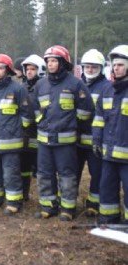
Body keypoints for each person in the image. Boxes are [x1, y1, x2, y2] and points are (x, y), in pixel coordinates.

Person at [33, 45, 93, 221]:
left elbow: (86, 110)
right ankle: (48, 205)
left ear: (63, 63)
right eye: (48, 61)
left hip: (66, 141)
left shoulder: (76, 84)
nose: (50, 64)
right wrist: (41, 122)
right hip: (44, 140)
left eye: (54, 61)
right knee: (44, 174)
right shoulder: (40, 84)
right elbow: (35, 108)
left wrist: (72, 124)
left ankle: (68, 208)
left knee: (67, 175)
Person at [0, 54, 33, 214]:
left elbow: (27, 115)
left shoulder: (18, 89)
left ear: (7, 70)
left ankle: (14, 202)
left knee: (11, 173)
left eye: (0, 68)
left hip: (10, 141)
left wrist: (16, 130)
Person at [93, 45, 128, 224]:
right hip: (109, 153)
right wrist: (97, 141)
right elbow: (99, 119)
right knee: (106, 186)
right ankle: (109, 217)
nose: (116, 68)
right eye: (114, 65)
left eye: (120, 65)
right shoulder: (107, 90)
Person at [76, 49, 111, 215]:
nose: (89, 70)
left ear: (101, 68)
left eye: (93, 67)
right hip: (76, 139)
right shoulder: (75, 85)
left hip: (96, 140)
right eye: (87, 66)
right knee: (71, 172)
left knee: (97, 174)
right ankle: (68, 202)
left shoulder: (107, 87)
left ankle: (93, 204)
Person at [20, 54, 46, 200]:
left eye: (32, 69)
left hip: (40, 133)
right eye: (27, 69)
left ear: (40, 70)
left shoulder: (45, 86)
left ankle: (46, 198)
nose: (29, 72)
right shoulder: (22, 87)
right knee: (23, 166)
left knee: (42, 168)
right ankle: (24, 194)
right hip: (24, 135)